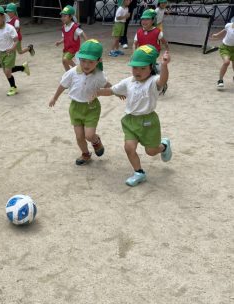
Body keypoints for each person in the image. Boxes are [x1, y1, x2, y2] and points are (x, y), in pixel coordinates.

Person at [96, 45, 172, 186]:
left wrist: (164, 65)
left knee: (151, 151)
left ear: (151, 67)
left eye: (143, 68)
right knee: (129, 147)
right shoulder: (128, 81)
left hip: (149, 121)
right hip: (130, 121)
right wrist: (98, 92)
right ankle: (139, 172)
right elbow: (112, 90)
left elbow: (163, 80)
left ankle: (164, 146)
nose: (138, 71)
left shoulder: (153, 81)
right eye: (135, 67)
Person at [49, 39, 111, 165]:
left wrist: (117, 90)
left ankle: (96, 141)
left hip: (91, 108)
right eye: (83, 61)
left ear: (98, 61)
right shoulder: (72, 72)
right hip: (75, 108)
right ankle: (85, 154)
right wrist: (55, 97)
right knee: (79, 137)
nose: (86, 65)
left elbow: (107, 85)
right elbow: (63, 85)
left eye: (90, 62)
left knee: (89, 135)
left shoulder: (99, 74)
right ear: (78, 58)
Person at [0, 5, 30, 96]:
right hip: (2, 52)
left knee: (7, 72)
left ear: (3, 17)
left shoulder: (9, 28)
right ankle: (23, 68)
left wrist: (12, 48)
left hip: (10, 51)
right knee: (7, 71)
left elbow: (16, 40)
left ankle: (13, 88)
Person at [0, 3, 35, 69]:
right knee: (4, 50)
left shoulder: (16, 20)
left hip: (16, 39)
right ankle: (0, 63)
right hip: (8, 39)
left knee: (20, 52)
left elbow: (17, 29)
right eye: (7, 11)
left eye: (10, 11)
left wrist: (11, 36)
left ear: (14, 12)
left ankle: (29, 48)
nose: (8, 13)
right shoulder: (6, 19)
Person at [55, 5, 86, 71]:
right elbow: (64, 38)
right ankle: (70, 73)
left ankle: (76, 69)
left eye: (65, 16)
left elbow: (82, 33)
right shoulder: (63, 27)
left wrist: (88, 42)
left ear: (71, 17)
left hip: (74, 48)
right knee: (64, 62)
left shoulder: (75, 27)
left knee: (65, 59)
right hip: (66, 48)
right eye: (62, 16)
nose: (62, 18)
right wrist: (59, 42)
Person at [210, 19, 234, 90]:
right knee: (226, 62)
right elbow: (224, 30)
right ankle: (220, 80)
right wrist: (216, 35)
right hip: (225, 48)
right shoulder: (228, 25)